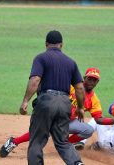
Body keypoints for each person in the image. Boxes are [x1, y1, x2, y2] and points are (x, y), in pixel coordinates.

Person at [0, 67, 114, 157]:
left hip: (68, 122)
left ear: (97, 83)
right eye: (90, 79)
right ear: (84, 78)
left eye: (95, 80)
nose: (92, 82)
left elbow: (98, 119)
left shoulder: (94, 99)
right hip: (53, 116)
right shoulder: (71, 86)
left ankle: (64, 144)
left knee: (88, 130)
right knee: (40, 133)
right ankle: (14, 141)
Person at [18, 30, 85, 165]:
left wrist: (25, 100)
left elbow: (35, 80)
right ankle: (77, 163)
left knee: (36, 141)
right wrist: (80, 108)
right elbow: (79, 88)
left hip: (46, 102)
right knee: (63, 142)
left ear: (46, 44)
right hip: (65, 103)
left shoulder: (41, 58)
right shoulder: (71, 62)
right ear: (61, 45)